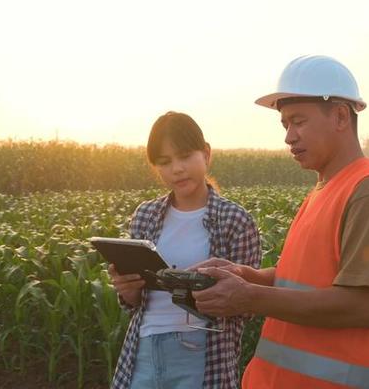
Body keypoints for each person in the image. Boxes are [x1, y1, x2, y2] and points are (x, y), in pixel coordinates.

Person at [192, 55, 369, 389]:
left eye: (299, 121)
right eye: (285, 125)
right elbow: (304, 280)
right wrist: (249, 277)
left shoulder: (368, 192)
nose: (289, 137)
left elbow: (361, 306)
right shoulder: (324, 189)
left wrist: (248, 296)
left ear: (339, 116)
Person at [107, 111, 262, 389]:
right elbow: (134, 304)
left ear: (206, 154)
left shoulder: (235, 220)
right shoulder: (146, 215)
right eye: (165, 162)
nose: (177, 169)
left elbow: (247, 305)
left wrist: (201, 292)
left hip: (202, 351)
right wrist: (128, 292)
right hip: (143, 349)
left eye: (185, 156)